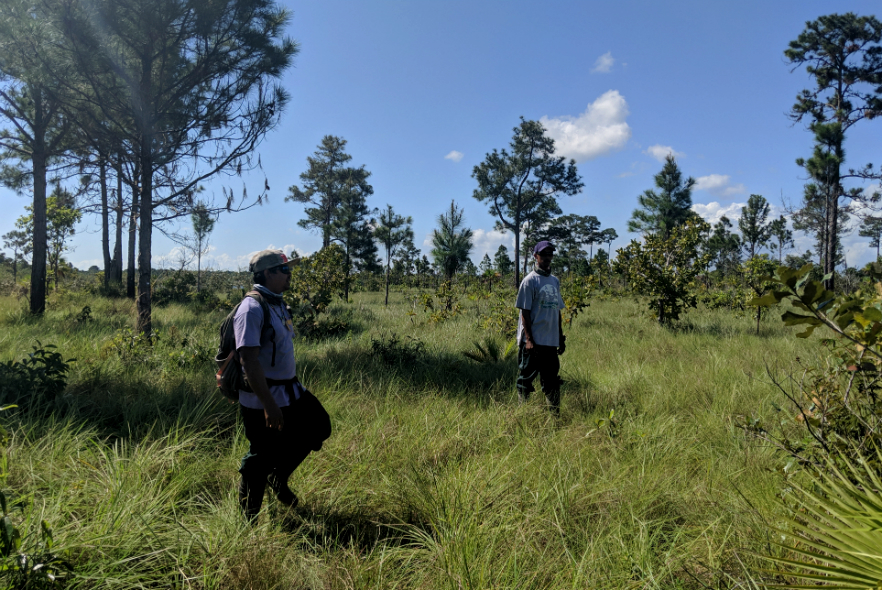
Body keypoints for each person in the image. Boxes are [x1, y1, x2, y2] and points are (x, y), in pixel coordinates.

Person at [235, 249, 311, 523]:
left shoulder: (276, 303)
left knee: (317, 426)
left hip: (289, 390)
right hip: (263, 398)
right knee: (261, 453)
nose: (289, 274)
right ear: (267, 273)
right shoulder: (251, 308)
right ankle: (248, 523)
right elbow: (248, 360)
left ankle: (277, 477)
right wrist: (269, 404)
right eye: (284, 270)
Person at [515, 240, 566, 414]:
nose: (547, 257)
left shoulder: (554, 281)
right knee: (526, 379)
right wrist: (529, 340)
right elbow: (525, 312)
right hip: (533, 342)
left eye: (550, 254)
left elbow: (557, 311)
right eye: (543, 254)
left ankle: (555, 416)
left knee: (551, 380)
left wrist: (560, 336)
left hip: (550, 342)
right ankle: (523, 414)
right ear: (535, 257)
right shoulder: (529, 281)